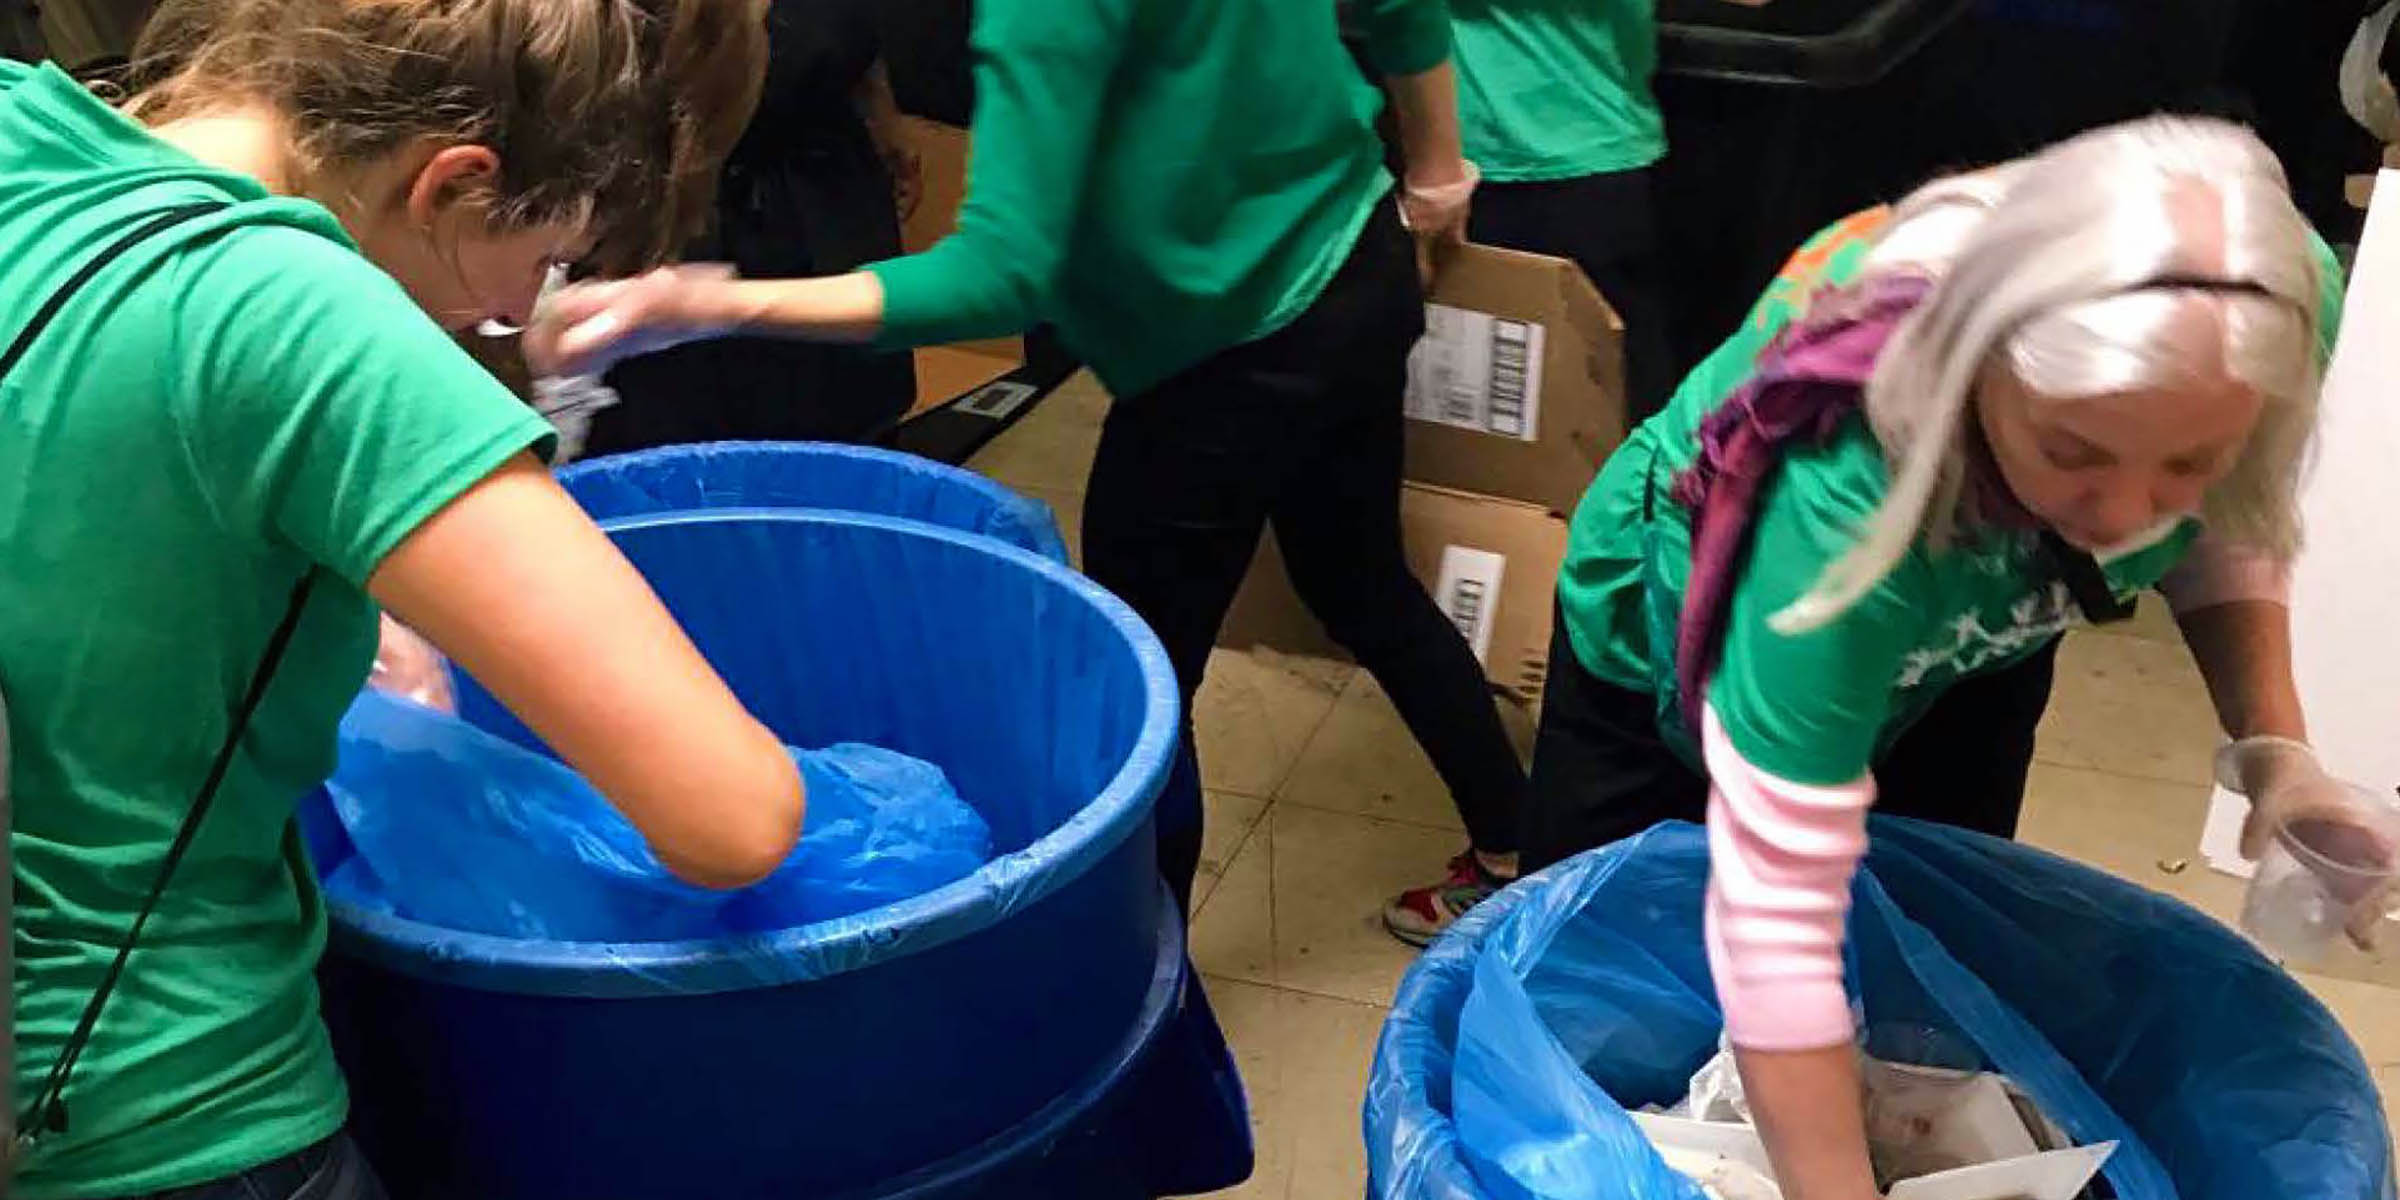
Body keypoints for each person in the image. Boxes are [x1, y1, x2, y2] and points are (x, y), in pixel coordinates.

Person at [0, 0, 800, 1195]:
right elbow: (733, 817)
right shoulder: (310, 322)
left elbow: (106, 486)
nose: (518, 319)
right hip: (149, 1104)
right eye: (536, 267)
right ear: (452, 182)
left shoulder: (27, 133)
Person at [1516, 115, 2375, 1199]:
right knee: (1598, 1003)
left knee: (1915, 964)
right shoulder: (1832, 508)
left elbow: (2228, 521)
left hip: (1963, 647)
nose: (2124, 519)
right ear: (1977, 376)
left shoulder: (2266, 290)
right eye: (2075, 451)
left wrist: (2274, 746)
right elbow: (1775, 919)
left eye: (2183, 465)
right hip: (1677, 652)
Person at [525, 0, 1532, 917]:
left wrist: (705, 302)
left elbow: (1000, 278)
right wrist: (1439, 170)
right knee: (1361, 581)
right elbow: (1402, 9)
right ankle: (1512, 843)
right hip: (1356, 265)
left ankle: (1146, 975)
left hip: (1224, 365)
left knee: (1137, 689)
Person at [584, 0, 922, 454]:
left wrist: (883, 115)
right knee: (680, 437)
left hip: (825, 161)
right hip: (678, 185)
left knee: (856, 417)